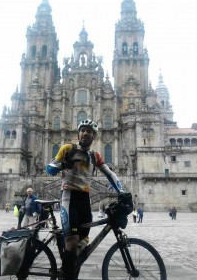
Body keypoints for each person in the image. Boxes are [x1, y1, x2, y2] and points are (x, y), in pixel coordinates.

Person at [46, 119, 132, 280]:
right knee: (72, 242)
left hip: (85, 200)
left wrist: (121, 191)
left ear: (94, 136)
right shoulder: (67, 149)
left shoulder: (94, 156)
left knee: (82, 243)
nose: (85, 133)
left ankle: (70, 273)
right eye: (83, 130)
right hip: (69, 198)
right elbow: (49, 168)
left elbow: (109, 174)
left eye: (89, 131)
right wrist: (62, 165)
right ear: (78, 133)